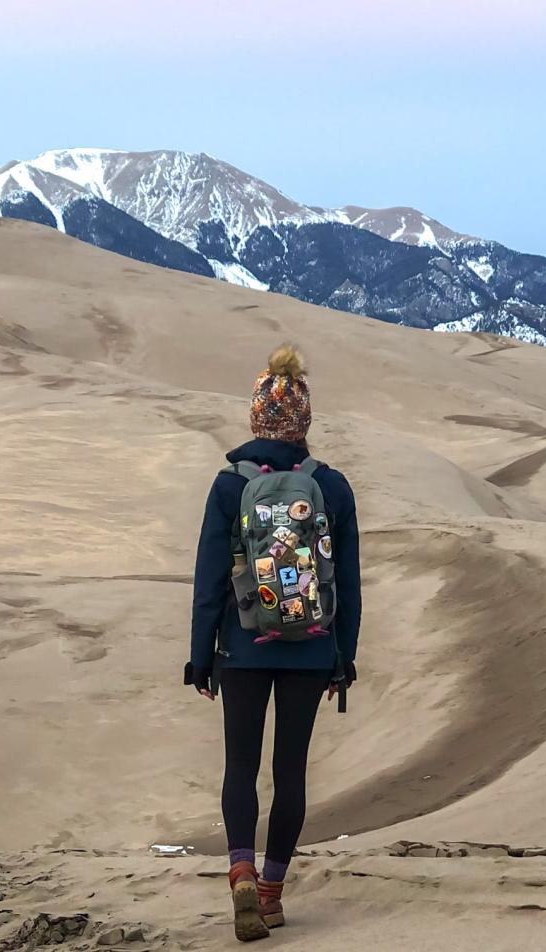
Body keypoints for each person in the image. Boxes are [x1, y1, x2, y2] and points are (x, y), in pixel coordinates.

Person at [185, 344, 362, 942]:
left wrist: (200, 654)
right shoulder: (331, 487)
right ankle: (271, 893)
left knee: (241, 767)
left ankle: (239, 867)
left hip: (241, 646)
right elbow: (351, 583)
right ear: (304, 423)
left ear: (255, 419)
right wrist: (344, 654)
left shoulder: (229, 486)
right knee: (290, 773)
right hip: (312, 650)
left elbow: (209, 576)